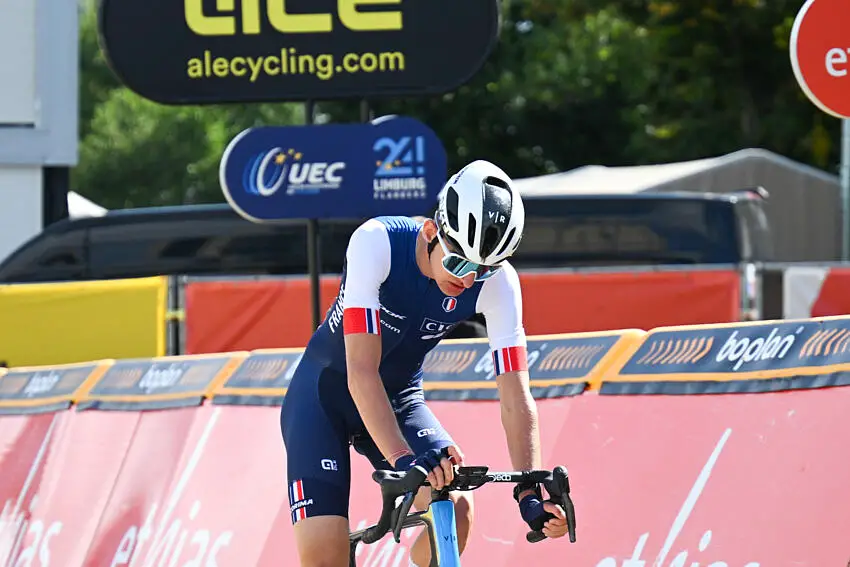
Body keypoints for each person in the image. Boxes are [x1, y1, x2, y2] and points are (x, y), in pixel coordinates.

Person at [280, 160, 569, 567]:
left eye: (483, 270)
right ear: (432, 232)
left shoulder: (500, 283)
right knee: (325, 558)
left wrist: (529, 490)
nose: (468, 281)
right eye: (459, 264)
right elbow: (361, 372)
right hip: (324, 397)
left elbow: (515, 397)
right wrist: (404, 459)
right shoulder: (377, 242)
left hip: (399, 400)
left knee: (455, 509)